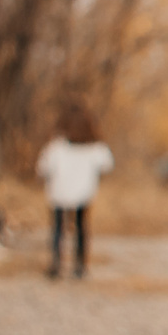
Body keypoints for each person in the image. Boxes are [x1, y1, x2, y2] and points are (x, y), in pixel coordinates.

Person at [37, 107, 114, 280]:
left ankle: (56, 264)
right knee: (81, 228)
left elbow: (43, 167)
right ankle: (80, 266)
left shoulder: (57, 145)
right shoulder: (94, 146)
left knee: (58, 229)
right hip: (83, 193)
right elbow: (108, 164)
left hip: (59, 192)